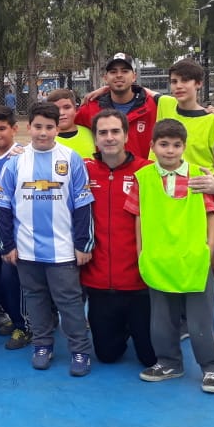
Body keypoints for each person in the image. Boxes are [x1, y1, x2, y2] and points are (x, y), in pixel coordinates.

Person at [0, 102, 95, 377]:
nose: (43, 132)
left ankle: (80, 350)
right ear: (29, 127)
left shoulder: (71, 159)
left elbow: (83, 204)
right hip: (26, 249)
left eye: (49, 127)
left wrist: (83, 243)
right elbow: (2, 206)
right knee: (35, 299)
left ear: (57, 129)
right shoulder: (15, 162)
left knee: (70, 302)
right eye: (38, 126)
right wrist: (7, 245)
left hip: (63, 250)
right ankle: (42, 345)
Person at [127, 119, 214, 394]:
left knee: (200, 320)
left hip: (193, 259)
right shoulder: (143, 177)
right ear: (152, 146)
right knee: (161, 319)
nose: (170, 150)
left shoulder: (197, 175)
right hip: (159, 259)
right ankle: (169, 363)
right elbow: (138, 217)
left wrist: (210, 245)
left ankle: (211, 367)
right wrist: (141, 251)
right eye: (164, 144)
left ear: (184, 146)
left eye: (176, 145)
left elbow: (210, 212)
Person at [153, 59, 214, 355]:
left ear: (198, 84)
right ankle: (184, 320)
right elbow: (139, 89)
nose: (178, 86)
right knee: (178, 258)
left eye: (185, 81)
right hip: (170, 202)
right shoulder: (166, 109)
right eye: (174, 81)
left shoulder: (213, 122)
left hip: (201, 199)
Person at [83, 110, 155, 367]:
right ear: (95, 138)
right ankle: (122, 328)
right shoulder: (83, 170)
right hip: (100, 283)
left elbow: (182, 183)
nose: (109, 137)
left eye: (115, 131)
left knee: (150, 358)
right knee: (107, 355)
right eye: (103, 132)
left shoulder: (147, 171)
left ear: (126, 136)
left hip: (140, 284)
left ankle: (143, 325)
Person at [0, 105, 28, 349]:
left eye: (2, 128)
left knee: (11, 277)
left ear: (14, 129)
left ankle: (24, 325)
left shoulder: (22, 155)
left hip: (15, 225)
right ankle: (13, 314)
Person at [75, 52, 159, 159]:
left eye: (125, 71)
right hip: (105, 169)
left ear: (134, 76)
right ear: (105, 78)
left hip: (144, 169)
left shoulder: (152, 106)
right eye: (113, 72)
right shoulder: (91, 108)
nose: (119, 75)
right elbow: (64, 125)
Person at [47, 88, 96, 160]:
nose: (61, 113)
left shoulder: (91, 133)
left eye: (67, 107)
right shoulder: (45, 138)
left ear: (75, 109)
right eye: (55, 109)